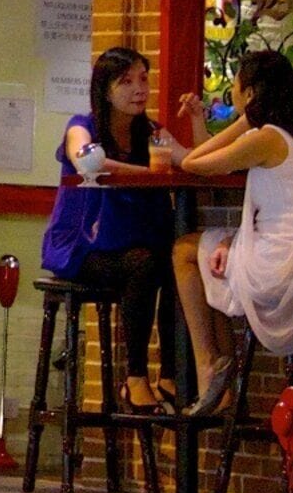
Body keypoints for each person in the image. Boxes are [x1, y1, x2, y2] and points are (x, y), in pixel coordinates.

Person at [170, 50, 293, 410]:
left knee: (184, 251)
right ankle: (222, 376)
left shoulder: (266, 139)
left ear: (251, 93)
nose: (232, 90)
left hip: (281, 272)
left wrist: (244, 121)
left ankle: (209, 367)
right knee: (211, 257)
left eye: (237, 84)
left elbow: (193, 162)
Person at [48, 46, 191, 411]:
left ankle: (170, 375)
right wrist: (149, 175)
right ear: (105, 90)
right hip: (84, 246)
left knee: (178, 264)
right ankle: (135, 377)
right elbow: (86, 161)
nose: (139, 89)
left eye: (143, 79)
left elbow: (191, 161)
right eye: (126, 82)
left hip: (135, 240)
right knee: (144, 264)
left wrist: (200, 121)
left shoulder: (153, 133)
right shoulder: (82, 126)